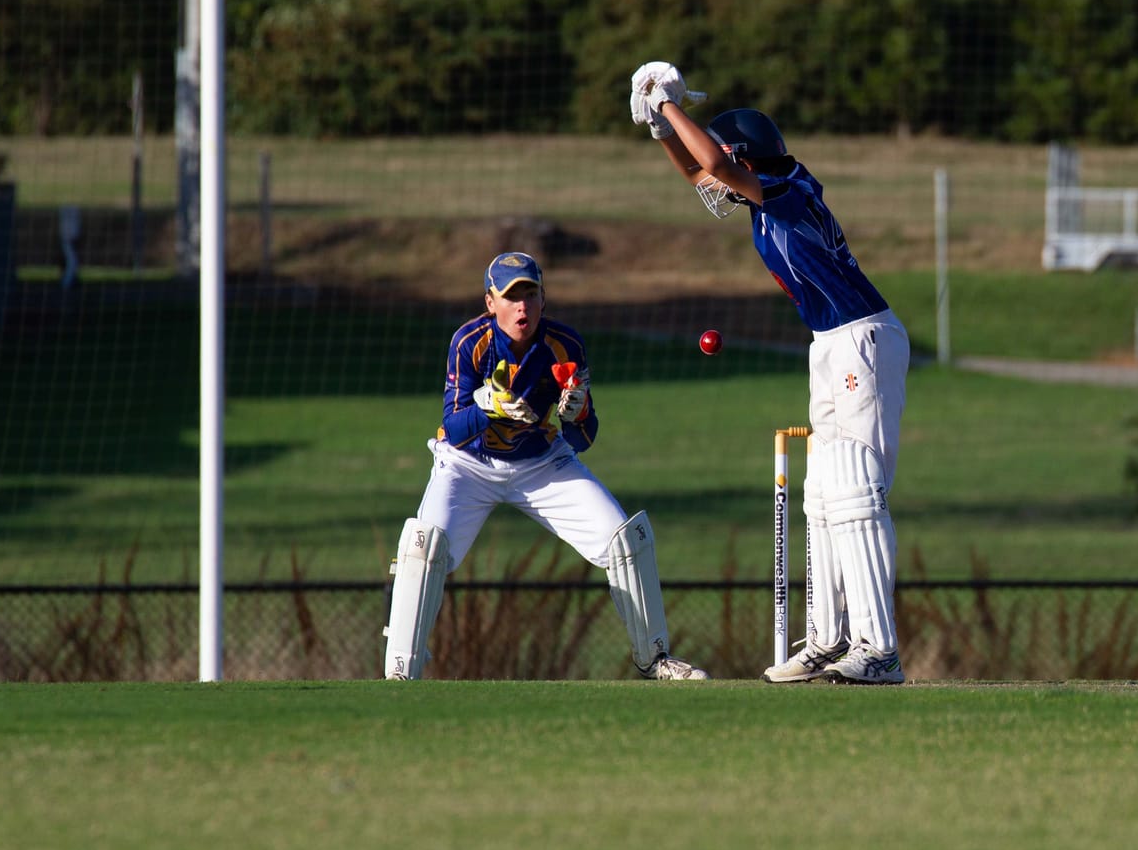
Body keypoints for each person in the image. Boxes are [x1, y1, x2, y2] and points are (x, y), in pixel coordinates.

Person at [628, 60, 910, 686]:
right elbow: (707, 172)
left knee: (857, 492)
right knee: (824, 493)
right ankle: (833, 639)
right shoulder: (761, 188)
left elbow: (721, 167)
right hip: (830, 345)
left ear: (746, 158)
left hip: (864, 339)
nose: (714, 188)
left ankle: (880, 649)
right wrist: (661, 127)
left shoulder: (789, 188)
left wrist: (675, 108)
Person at [381, 251, 709, 681]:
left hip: (540, 464)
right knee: (424, 548)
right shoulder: (469, 342)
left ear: (543, 299)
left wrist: (576, 414)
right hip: (467, 465)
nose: (523, 307)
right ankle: (400, 672)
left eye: (531, 295)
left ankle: (655, 659)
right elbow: (454, 428)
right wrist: (488, 407)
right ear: (490, 302)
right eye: (513, 297)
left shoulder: (565, 345)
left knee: (623, 540)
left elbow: (584, 439)